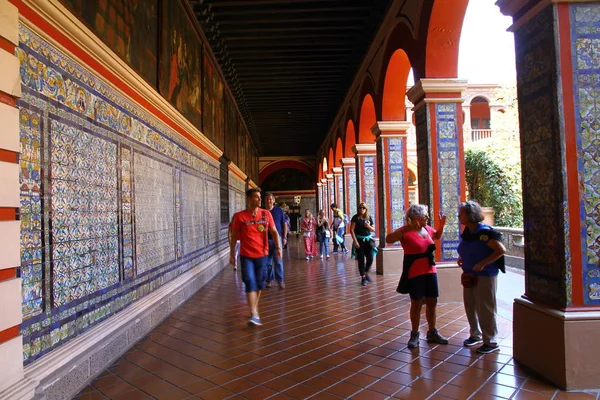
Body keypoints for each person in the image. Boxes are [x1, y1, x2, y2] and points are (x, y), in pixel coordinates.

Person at [385, 204, 448, 349]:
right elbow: (389, 239)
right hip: (415, 272)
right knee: (417, 303)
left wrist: (441, 225)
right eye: (425, 215)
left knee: (432, 302)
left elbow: (437, 236)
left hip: (430, 270)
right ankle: (414, 334)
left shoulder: (426, 229)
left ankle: (432, 332)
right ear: (415, 217)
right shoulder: (405, 231)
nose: (427, 217)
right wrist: (406, 228)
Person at [457, 200, 506, 354]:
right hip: (469, 274)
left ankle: (490, 341)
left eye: (462, 213)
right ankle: (475, 334)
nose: (459, 216)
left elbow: (500, 250)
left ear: (470, 215)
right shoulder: (467, 232)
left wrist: (483, 263)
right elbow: (467, 247)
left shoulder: (485, 233)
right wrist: (461, 257)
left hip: (485, 275)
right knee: (470, 305)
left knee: (485, 307)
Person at [230, 188, 282, 326]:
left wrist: (278, 247)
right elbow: (234, 236)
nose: (260, 200)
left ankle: (254, 307)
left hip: (262, 255)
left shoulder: (266, 215)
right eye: (256, 197)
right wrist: (231, 255)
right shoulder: (240, 216)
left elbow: (274, 231)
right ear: (248, 199)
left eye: (260, 197)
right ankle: (254, 313)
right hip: (246, 255)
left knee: (259, 283)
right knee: (249, 281)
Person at [349, 202, 376, 286]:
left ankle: (366, 271)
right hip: (359, 241)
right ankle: (363, 277)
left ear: (366, 209)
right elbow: (352, 230)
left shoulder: (369, 217)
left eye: (363, 208)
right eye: (360, 208)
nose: (361, 210)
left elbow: (373, 229)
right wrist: (355, 241)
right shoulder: (355, 218)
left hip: (368, 240)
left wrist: (368, 226)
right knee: (361, 260)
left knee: (370, 258)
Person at [264, 193, 287, 289]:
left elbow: (284, 224)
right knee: (267, 262)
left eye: (270, 199)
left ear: (273, 200)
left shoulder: (278, 211)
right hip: (265, 240)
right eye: (267, 199)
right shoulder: (262, 211)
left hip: (277, 239)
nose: (269, 201)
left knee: (278, 261)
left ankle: (280, 280)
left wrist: (285, 237)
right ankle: (269, 279)